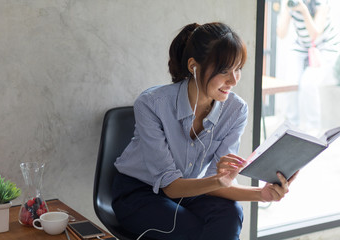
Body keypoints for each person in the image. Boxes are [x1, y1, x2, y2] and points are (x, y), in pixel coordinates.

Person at [112, 22, 296, 240]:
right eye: (224, 70)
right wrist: (218, 181)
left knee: (230, 213)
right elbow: (171, 187)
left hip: (192, 189)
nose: (234, 80)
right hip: (138, 193)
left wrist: (262, 194)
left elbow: (216, 182)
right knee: (195, 230)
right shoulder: (151, 104)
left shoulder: (236, 111)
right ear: (193, 66)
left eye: (238, 69)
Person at [277, 0, 340, 131]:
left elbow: (315, 33)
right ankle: (290, 129)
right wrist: (289, 9)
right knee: (291, 82)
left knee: (308, 83)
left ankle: (313, 131)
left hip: (325, 47)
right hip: (302, 46)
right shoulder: (291, 3)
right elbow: (281, 34)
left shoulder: (321, 3)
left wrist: (304, 11)